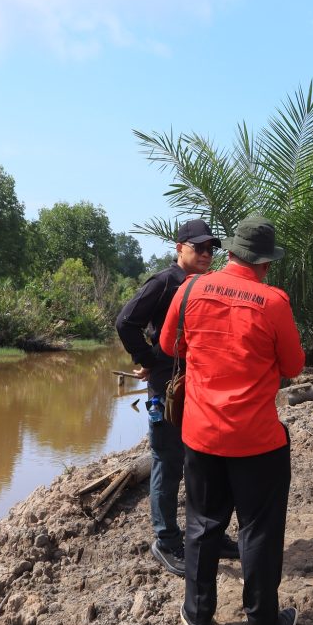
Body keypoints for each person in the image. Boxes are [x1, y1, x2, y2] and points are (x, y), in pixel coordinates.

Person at [160, 216, 305, 625]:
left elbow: (169, 345)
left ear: (230, 252)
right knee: (258, 529)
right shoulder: (273, 302)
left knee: (202, 524)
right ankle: (262, 624)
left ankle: (198, 616)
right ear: (265, 262)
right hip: (256, 440)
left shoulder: (190, 289)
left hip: (201, 434)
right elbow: (294, 366)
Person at [114, 219, 239, 577]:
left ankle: (208, 534)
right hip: (168, 389)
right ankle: (166, 540)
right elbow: (126, 322)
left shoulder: (207, 283)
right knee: (168, 461)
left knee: (203, 460)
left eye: (210, 248)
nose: (206, 253)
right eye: (198, 247)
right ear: (179, 248)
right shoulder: (165, 281)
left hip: (200, 384)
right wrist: (150, 360)